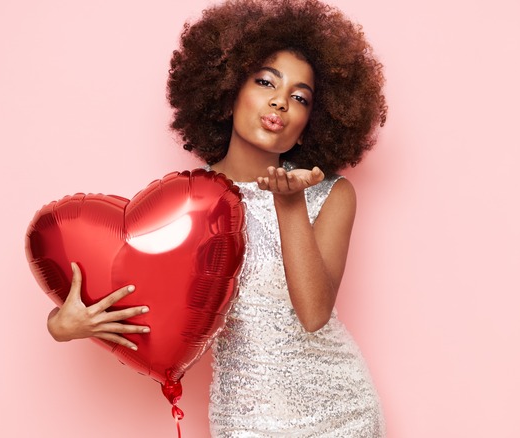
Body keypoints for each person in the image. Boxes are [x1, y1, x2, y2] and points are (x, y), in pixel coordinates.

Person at [46, 0, 387, 436]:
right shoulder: (182, 205)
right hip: (244, 419)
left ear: (312, 120)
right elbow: (126, 279)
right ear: (229, 88)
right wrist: (63, 325)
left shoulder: (330, 195)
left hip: (342, 414)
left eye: (300, 97)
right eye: (265, 81)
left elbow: (314, 312)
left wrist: (290, 204)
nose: (280, 102)